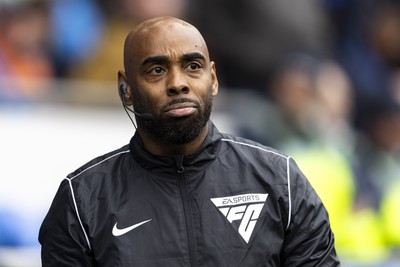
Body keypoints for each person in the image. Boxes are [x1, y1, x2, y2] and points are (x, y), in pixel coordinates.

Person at [39, 16, 340, 266]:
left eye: (192, 66)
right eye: (156, 70)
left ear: (214, 79)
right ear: (126, 88)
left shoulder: (281, 182)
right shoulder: (82, 201)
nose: (178, 83)